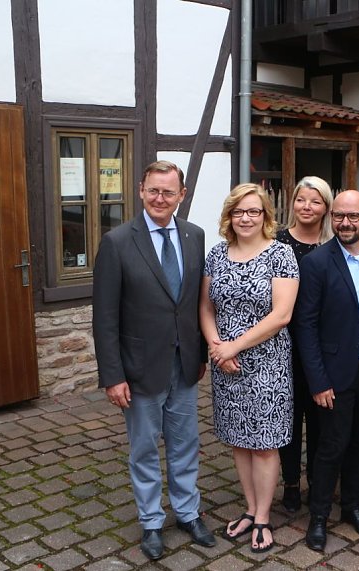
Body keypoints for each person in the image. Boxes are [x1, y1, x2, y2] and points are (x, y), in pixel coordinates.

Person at [93, 160, 215, 561]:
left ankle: (187, 512)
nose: (160, 198)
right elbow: (105, 316)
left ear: (181, 195)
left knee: (185, 443)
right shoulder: (117, 242)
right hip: (140, 367)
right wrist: (113, 375)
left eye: (169, 192)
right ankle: (150, 521)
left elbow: (194, 302)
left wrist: (199, 352)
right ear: (141, 190)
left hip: (184, 364)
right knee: (144, 448)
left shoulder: (194, 236)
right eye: (153, 190)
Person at [199, 183, 299, 554]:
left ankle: (263, 517)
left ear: (265, 216)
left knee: (264, 444)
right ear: (229, 216)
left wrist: (232, 347)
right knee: (238, 440)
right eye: (239, 211)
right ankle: (250, 507)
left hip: (266, 363)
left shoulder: (281, 255)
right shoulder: (216, 255)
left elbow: (282, 315)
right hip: (226, 365)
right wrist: (216, 349)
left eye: (253, 211)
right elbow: (206, 308)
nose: (246, 217)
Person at [294, 189, 359, 552]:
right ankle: (318, 517)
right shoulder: (317, 262)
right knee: (330, 447)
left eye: (353, 216)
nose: (345, 223)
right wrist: (318, 380)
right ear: (331, 217)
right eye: (338, 216)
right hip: (334, 376)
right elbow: (305, 325)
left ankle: (352, 507)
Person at [276, 176, 334, 512]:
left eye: (315, 201)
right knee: (288, 418)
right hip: (282, 346)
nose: (307, 207)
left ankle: (316, 480)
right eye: (301, 200)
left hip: (320, 348)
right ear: (293, 203)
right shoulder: (277, 244)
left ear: (325, 207)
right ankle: (290, 483)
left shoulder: (332, 247)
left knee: (319, 419)